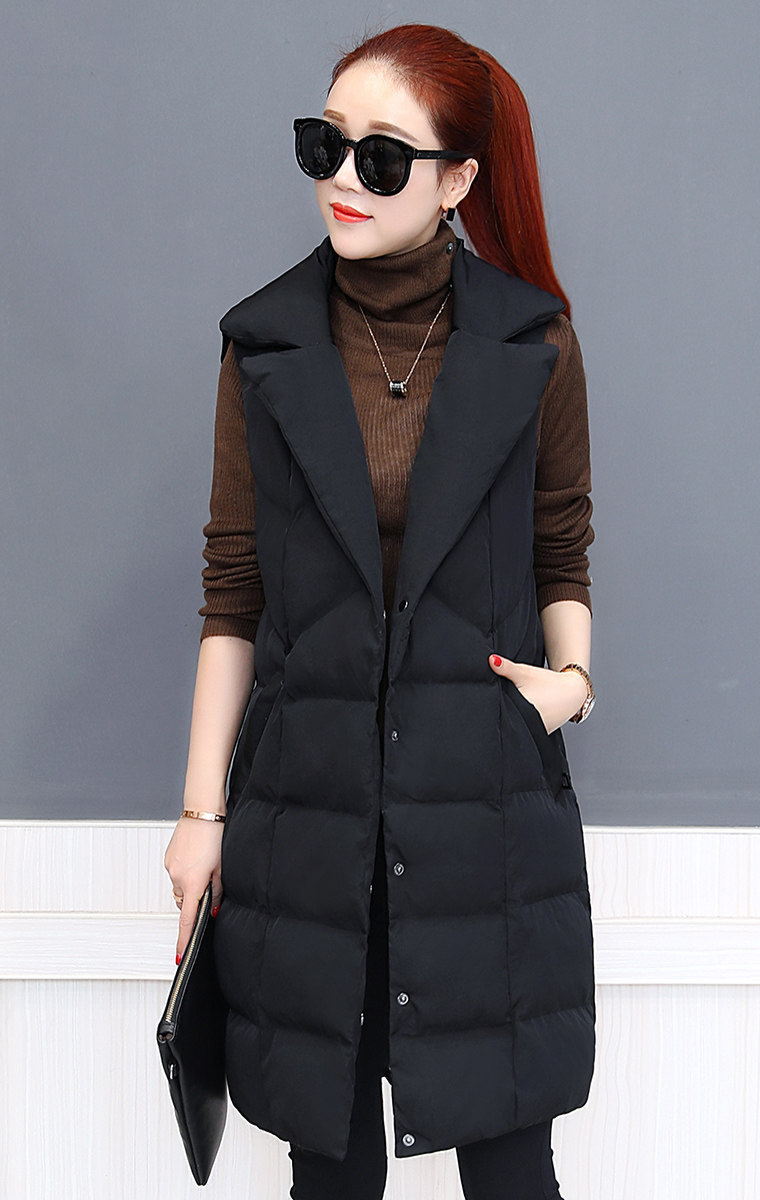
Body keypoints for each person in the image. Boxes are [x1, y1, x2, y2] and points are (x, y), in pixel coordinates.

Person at [164, 22, 595, 1200]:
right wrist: (200, 814)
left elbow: (559, 547)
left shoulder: (533, 342)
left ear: (457, 180)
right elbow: (232, 587)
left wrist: (568, 685)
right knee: (329, 1169)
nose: (343, 179)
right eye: (326, 144)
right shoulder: (261, 345)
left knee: (510, 1166)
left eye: (384, 156)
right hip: (309, 810)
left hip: (484, 806)